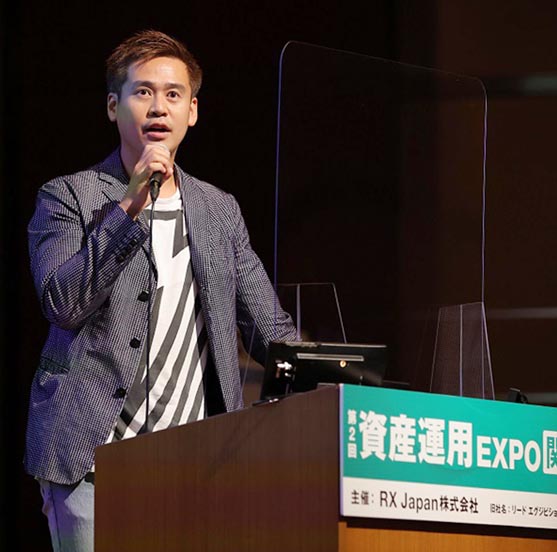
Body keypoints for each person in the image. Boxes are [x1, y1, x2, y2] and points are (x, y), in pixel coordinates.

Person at [25, 29, 295, 551]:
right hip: (91, 461)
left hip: (197, 463)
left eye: (173, 94)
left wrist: (341, 379)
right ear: (113, 106)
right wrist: (129, 205)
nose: (158, 107)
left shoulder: (219, 210)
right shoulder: (68, 196)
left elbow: (270, 329)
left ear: (192, 111)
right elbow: (63, 303)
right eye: (142, 91)